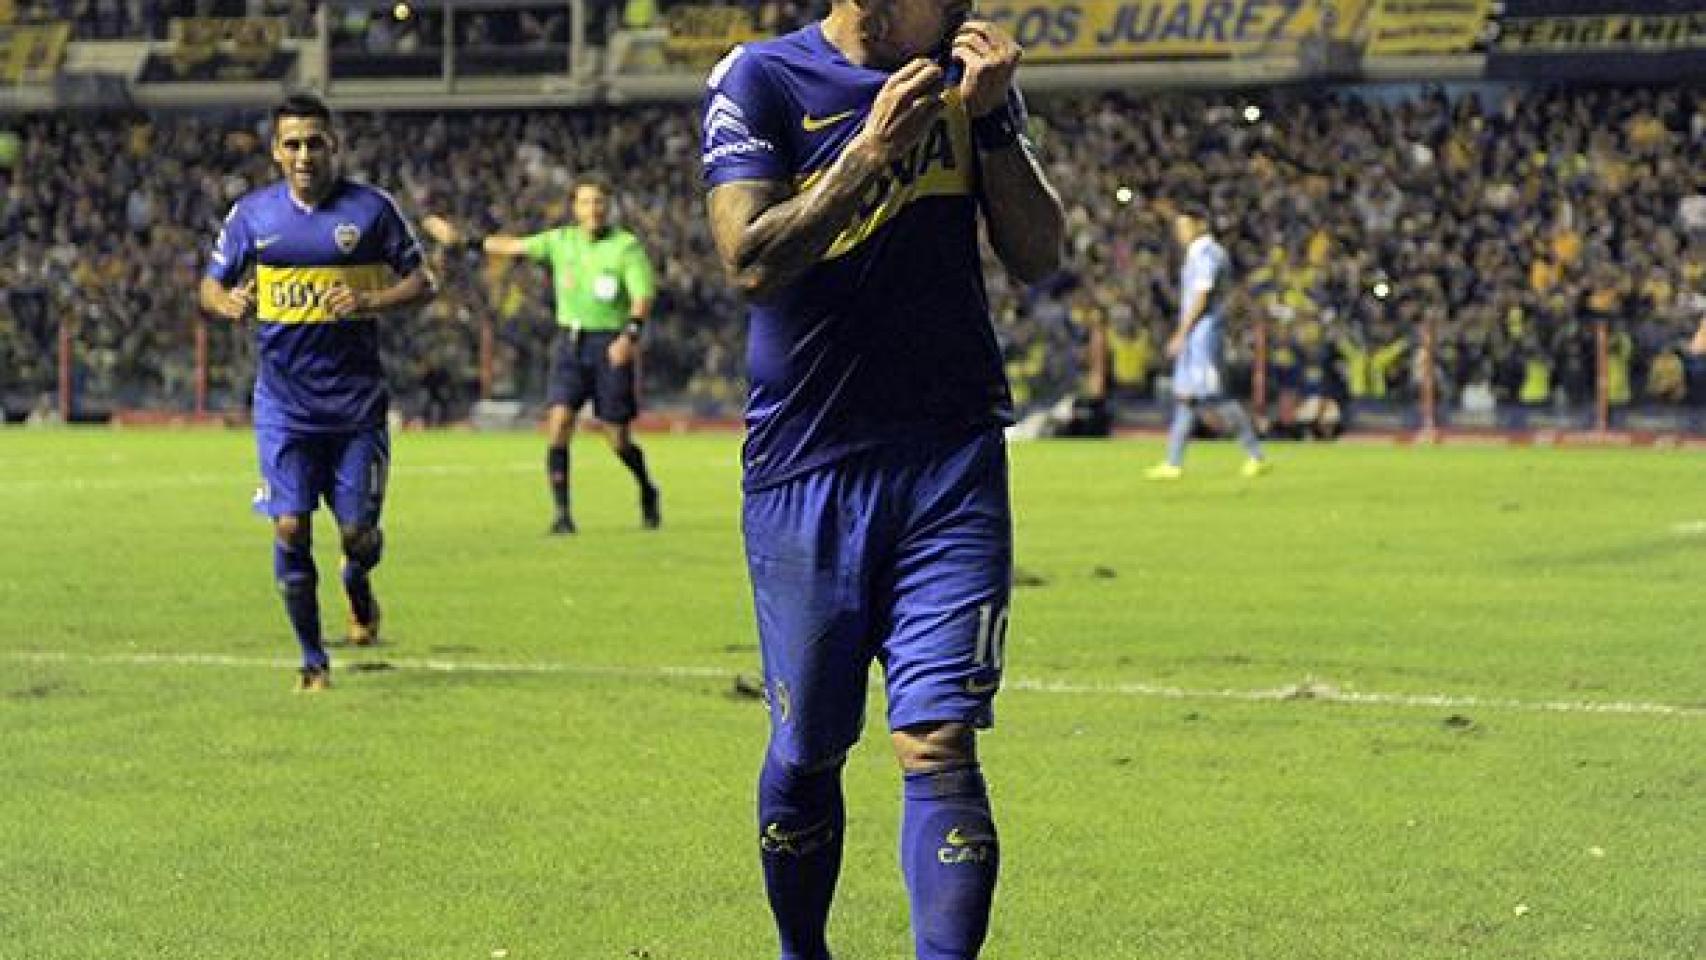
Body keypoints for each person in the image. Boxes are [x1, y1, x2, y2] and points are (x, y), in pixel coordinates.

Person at [701, 2, 1064, 957]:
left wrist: (991, 121)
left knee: (939, 741)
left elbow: (1039, 254)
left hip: (951, 458)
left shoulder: (968, 82)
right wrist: (865, 156)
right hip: (808, 466)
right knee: (810, 748)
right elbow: (748, 260)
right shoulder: (761, 81)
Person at [199, 94, 437, 692]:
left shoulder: (371, 211)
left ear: (334, 145)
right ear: (276, 151)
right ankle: (312, 660)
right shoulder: (252, 216)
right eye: (293, 144)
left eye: (314, 142)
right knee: (289, 528)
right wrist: (226, 301)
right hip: (284, 406)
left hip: (356, 408)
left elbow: (423, 281)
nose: (304, 154)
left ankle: (356, 579)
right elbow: (210, 283)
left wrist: (370, 301)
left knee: (358, 534)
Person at [422, 178, 661, 535]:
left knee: (617, 438)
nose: (592, 209)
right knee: (559, 424)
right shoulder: (560, 241)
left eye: (599, 202)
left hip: (610, 344)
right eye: (585, 202)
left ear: (608, 206)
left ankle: (646, 489)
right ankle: (562, 516)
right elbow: (514, 247)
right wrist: (464, 241)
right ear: (574, 207)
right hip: (570, 342)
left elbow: (642, 295)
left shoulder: (626, 247)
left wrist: (630, 335)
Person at [1145, 203, 1271, 479]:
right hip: (1196, 335)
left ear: (1200, 225)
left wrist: (1181, 333)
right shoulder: (1196, 254)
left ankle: (1256, 455)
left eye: (1184, 226)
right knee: (1187, 398)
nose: (1179, 232)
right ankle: (1173, 463)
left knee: (1215, 396)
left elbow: (1201, 298)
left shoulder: (1208, 255)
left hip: (1203, 335)